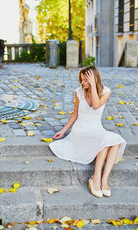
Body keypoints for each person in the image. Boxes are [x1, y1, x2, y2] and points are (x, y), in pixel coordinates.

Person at [49, 66, 126, 198]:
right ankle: (95, 178)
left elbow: (96, 105)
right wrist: (63, 131)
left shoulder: (105, 92)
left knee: (116, 141)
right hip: (81, 130)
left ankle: (103, 180)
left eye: (86, 80)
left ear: (94, 79)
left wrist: (93, 86)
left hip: (96, 128)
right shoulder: (79, 92)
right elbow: (75, 114)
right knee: (105, 141)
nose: (83, 83)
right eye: (82, 80)